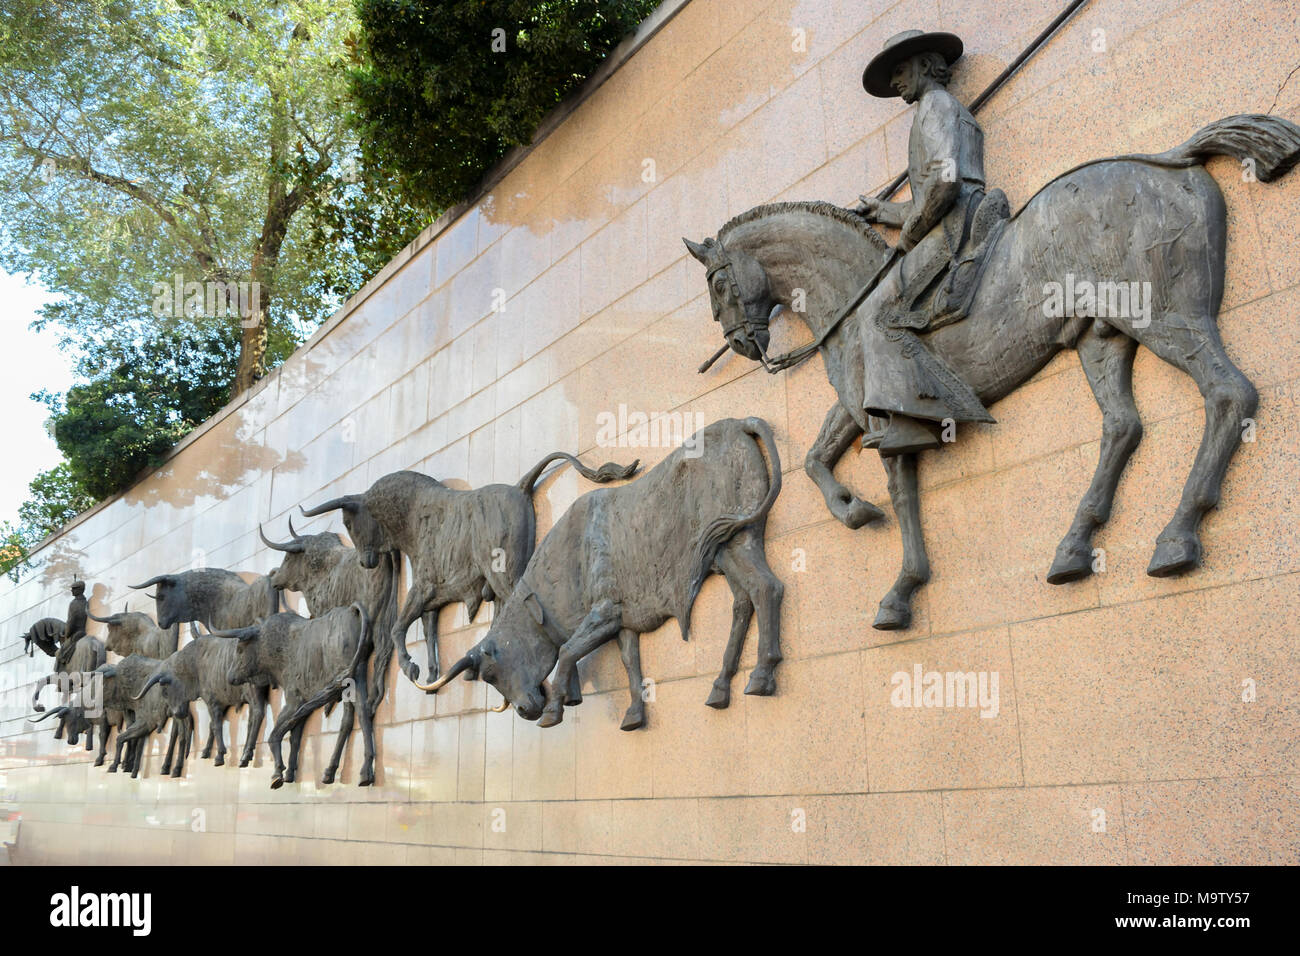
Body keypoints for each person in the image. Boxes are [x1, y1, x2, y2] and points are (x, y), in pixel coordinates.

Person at [852, 30, 1006, 455]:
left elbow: (944, 183)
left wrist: (911, 232)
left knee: (875, 313)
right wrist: (882, 213)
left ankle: (920, 418)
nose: (897, 82)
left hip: (952, 227)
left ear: (923, 65)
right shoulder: (942, 108)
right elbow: (933, 191)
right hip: (956, 213)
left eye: (900, 71)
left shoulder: (934, 106)